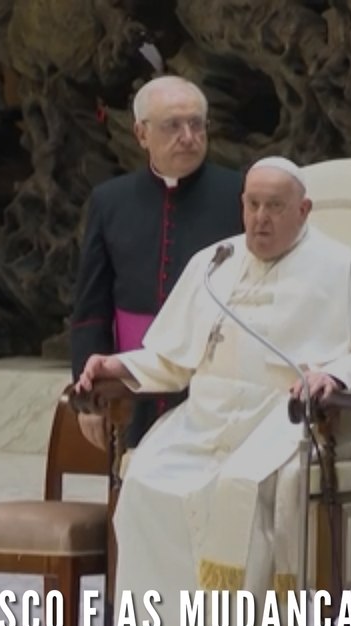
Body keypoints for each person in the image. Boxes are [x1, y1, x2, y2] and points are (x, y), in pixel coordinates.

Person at [75, 156, 351, 626]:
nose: (260, 219)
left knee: (239, 487)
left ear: (304, 210)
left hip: (288, 415)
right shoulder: (212, 264)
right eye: (251, 204)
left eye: (275, 207)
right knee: (147, 483)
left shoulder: (344, 267)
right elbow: (171, 357)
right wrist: (118, 365)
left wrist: (330, 377)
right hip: (207, 416)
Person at [70, 75, 244, 451]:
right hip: (134, 387)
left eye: (197, 124)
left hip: (214, 382)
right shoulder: (109, 201)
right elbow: (91, 311)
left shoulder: (240, 194)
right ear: (141, 133)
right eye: (172, 125)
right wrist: (89, 400)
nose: (188, 136)